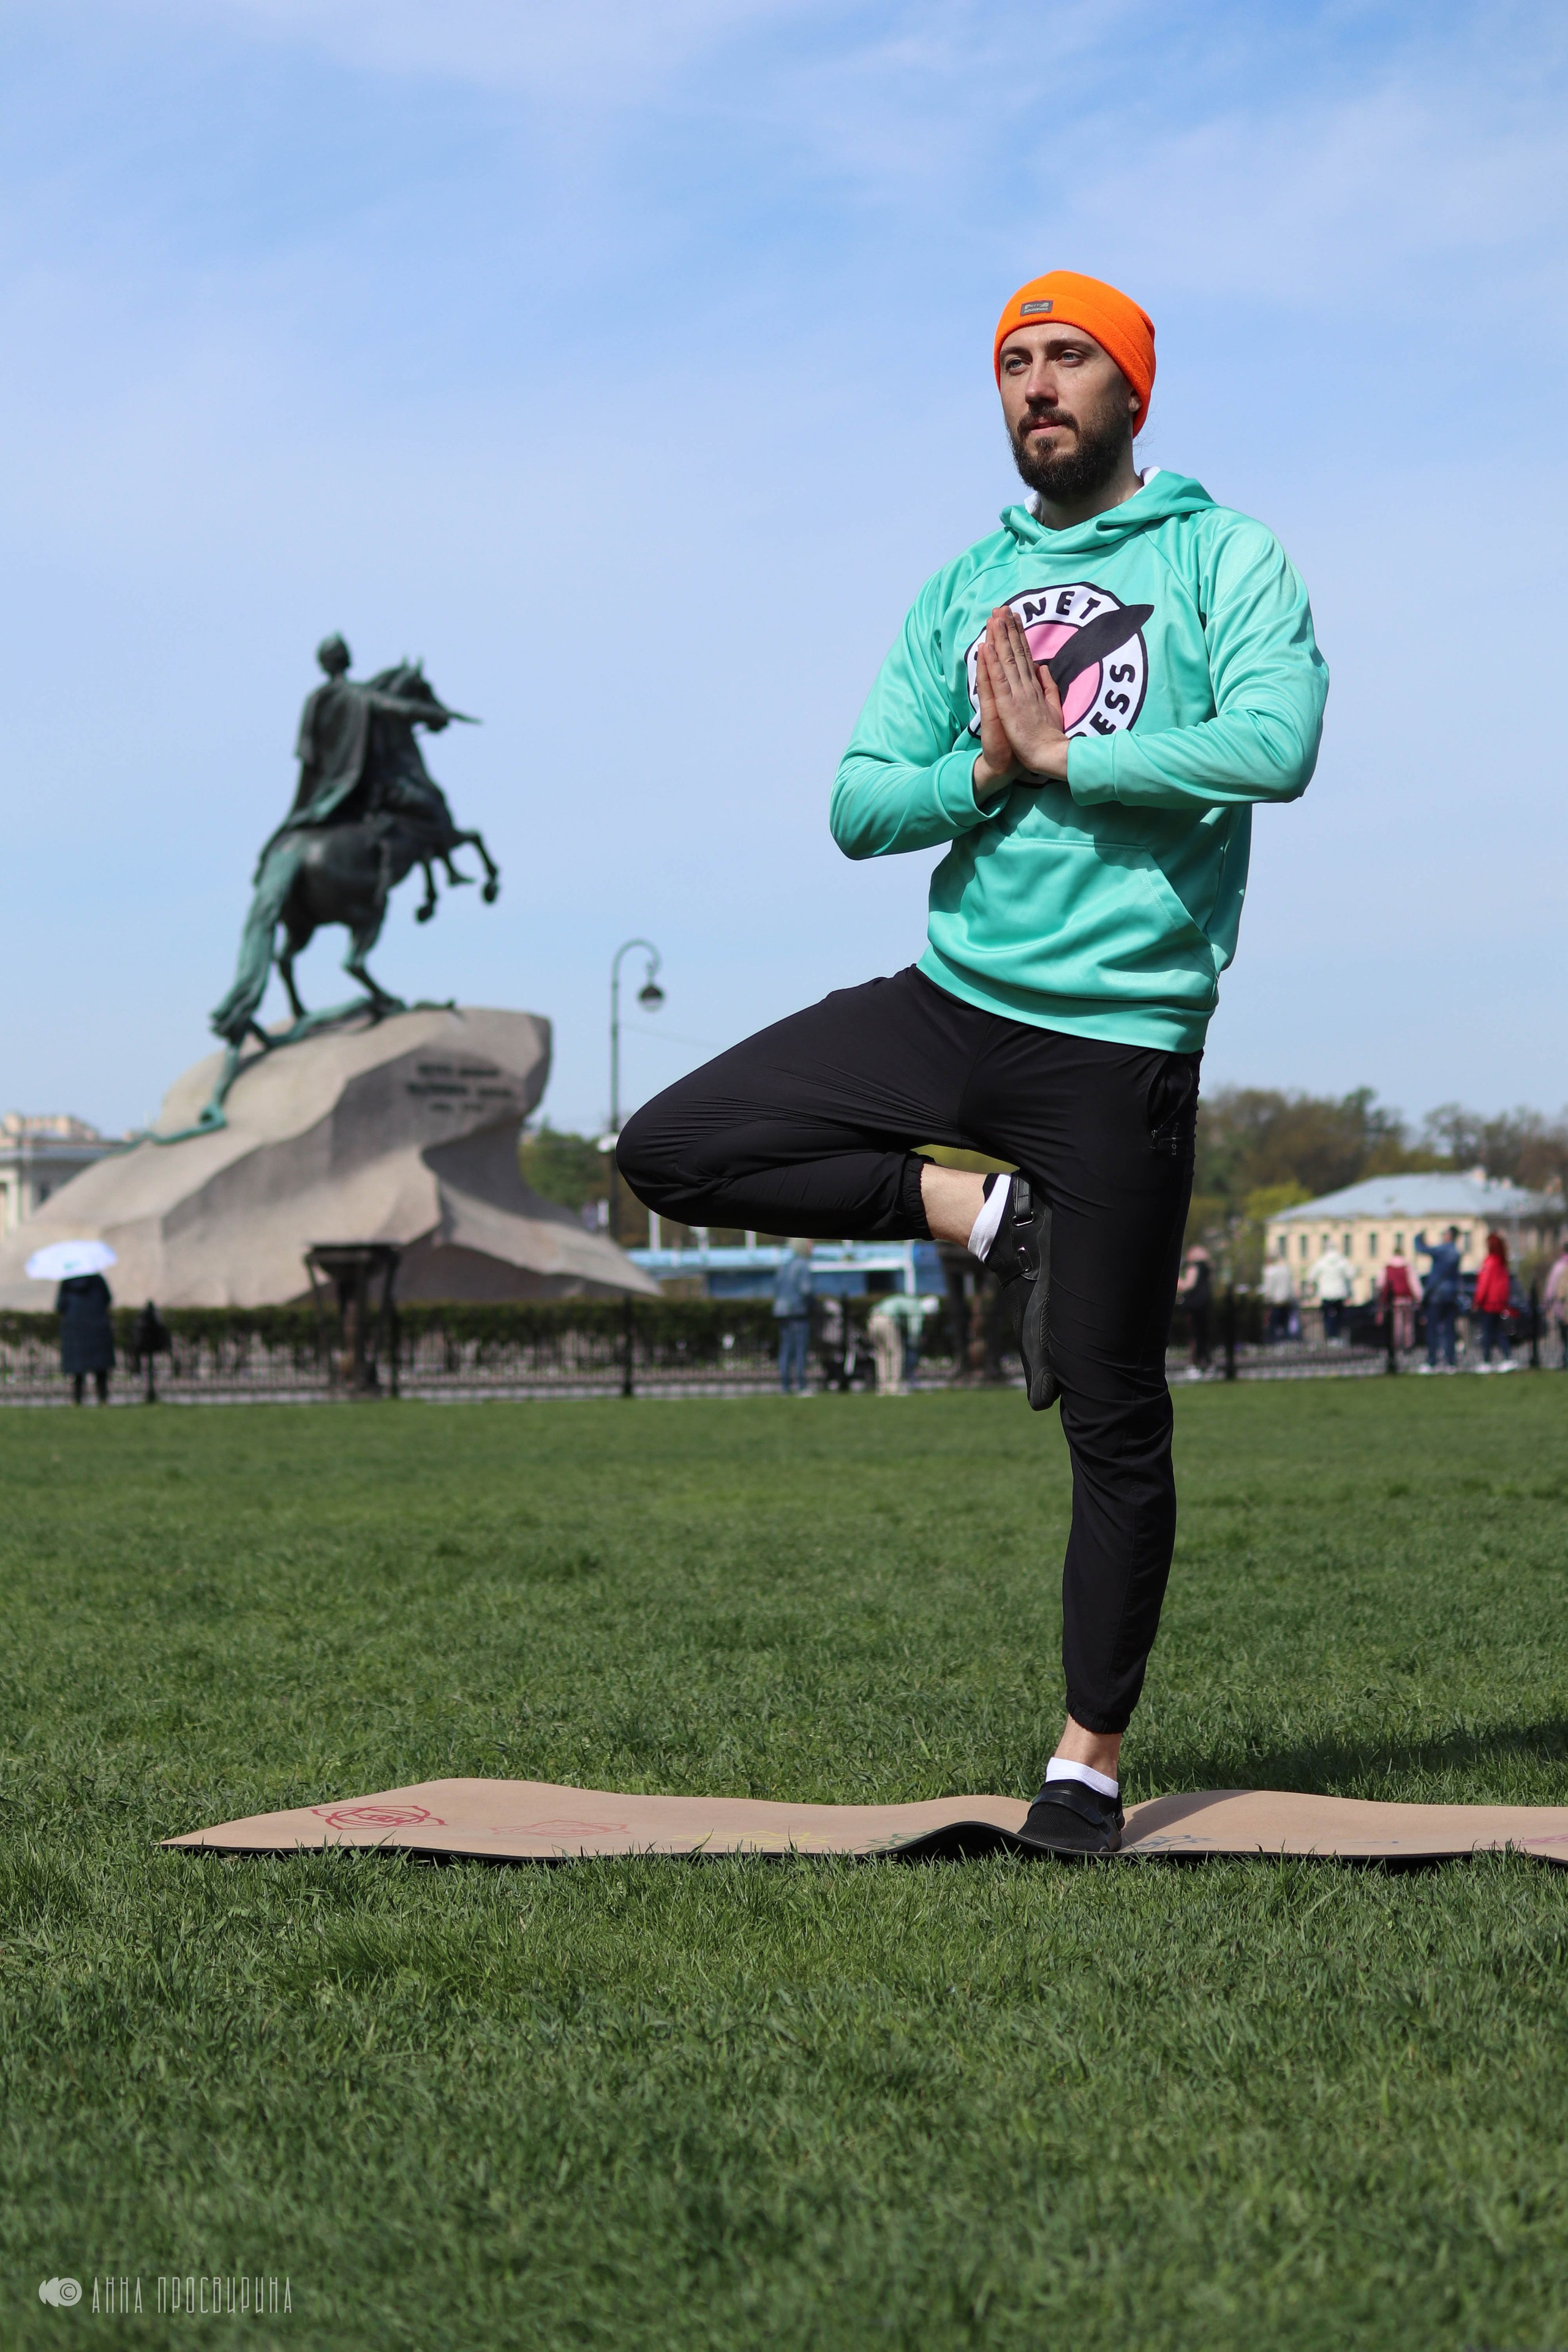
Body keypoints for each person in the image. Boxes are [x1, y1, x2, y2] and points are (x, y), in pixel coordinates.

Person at [619, 266, 1327, 1855]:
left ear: (1134, 391)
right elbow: (863, 802)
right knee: (670, 1148)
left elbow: (1277, 747)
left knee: (1110, 1409)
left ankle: (1086, 1757)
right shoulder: (961, 590)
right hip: (948, 1003)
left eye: (1069, 358)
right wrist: (984, 775)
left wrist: (1072, 750)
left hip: (1119, 1042)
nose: (1037, 385)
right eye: (1012, 363)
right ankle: (981, 1221)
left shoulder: (1226, 558)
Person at [56, 1271, 114, 1404]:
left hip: (75, 1329)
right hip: (97, 1327)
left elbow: (60, 1306)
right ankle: (103, 1398)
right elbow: (107, 1299)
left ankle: (77, 1399)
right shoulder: (98, 1279)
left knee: (78, 1370)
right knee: (101, 1368)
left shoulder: (67, 1281)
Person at [1415, 1225, 1463, 1371]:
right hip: (1451, 1295)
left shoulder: (1443, 1250)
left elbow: (1422, 1249)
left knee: (1433, 1329)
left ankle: (1432, 1361)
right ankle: (1451, 1361)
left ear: (1450, 1236)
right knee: (1449, 1329)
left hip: (1437, 1295)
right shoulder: (1456, 1252)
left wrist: (1418, 1238)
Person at [772, 1239, 814, 1394]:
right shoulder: (802, 1265)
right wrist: (813, 1306)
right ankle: (801, 1386)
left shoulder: (784, 1266)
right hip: (798, 1312)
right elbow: (806, 1290)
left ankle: (785, 1387)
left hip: (782, 1312)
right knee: (800, 1350)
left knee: (785, 1350)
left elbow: (776, 1288)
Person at [1470, 1231, 1514, 1372]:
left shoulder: (1489, 1262)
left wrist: (1477, 1301)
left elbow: (1484, 1284)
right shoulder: (1502, 1263)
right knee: (1498, 1331)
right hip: (1498, 1303)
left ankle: (1487, 1360)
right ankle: (1507, 1357)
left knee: (1487, 1332)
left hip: (1489, 1303)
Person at [1177, 1245, 1214, 1378]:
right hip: (1204, 1304)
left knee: (1194, 1335)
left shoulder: (1194, 1268)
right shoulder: (1207, 1269)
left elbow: (1189, 1285)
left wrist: (1177, 1281)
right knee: (1203, 1335)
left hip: (1194, 1305)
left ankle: (1196, 1364)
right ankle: (1207, 1363)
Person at [1307, 1240, 1355, 1342]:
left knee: (1327, 1316)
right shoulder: (1342, 1261)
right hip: (1340, 1293)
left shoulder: (1322, 1261)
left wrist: (1314, 1290)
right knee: (1339, 1316)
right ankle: (1338, 1336)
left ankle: (1330, 1336)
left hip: (1326, 1294)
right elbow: (1351, 1274)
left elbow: (1311, 1277)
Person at [1379, 1251, 1417, 1354]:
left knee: (1396, 1323)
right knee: (1408, 1323)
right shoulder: (1407, 1267)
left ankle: (1396, 1344)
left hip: (1394, 1299)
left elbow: (1380, 1284)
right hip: (1406, 1298)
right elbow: (1414, 1283)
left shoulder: (1388, 1268)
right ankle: (1408, 1344)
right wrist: (1418, 1298)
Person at [1545, 1237, 1568, 1371]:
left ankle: (1565, 1358)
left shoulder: (1559, 1266)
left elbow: (1551, 1288)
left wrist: (1547, 1303)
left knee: (1564, 1335)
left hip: (1563, 1307)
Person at [1261, 1252, 1294, 1343]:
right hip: (1286, 1301)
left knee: (1273, 1325)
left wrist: (1267, 1299)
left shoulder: (1270, 1272)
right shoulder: (1286, 1270)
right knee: (1285, 1324)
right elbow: (1290, 1286)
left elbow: (1269, 1288)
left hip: (1275, 1302)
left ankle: (1274, 1342)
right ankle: (1287, 1342)